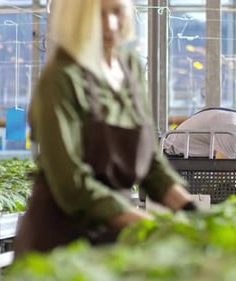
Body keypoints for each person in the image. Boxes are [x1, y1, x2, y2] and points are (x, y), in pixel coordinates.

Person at [13, 0, 196, 257]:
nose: (110, 25)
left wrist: (190, 210)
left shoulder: (129, 68)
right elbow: (71, 183)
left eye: (117, 12)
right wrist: (151, 226)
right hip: (60, 242)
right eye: (96, 16)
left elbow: (151, 163)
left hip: (113, 234)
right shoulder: (61, 78)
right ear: (75, 19)